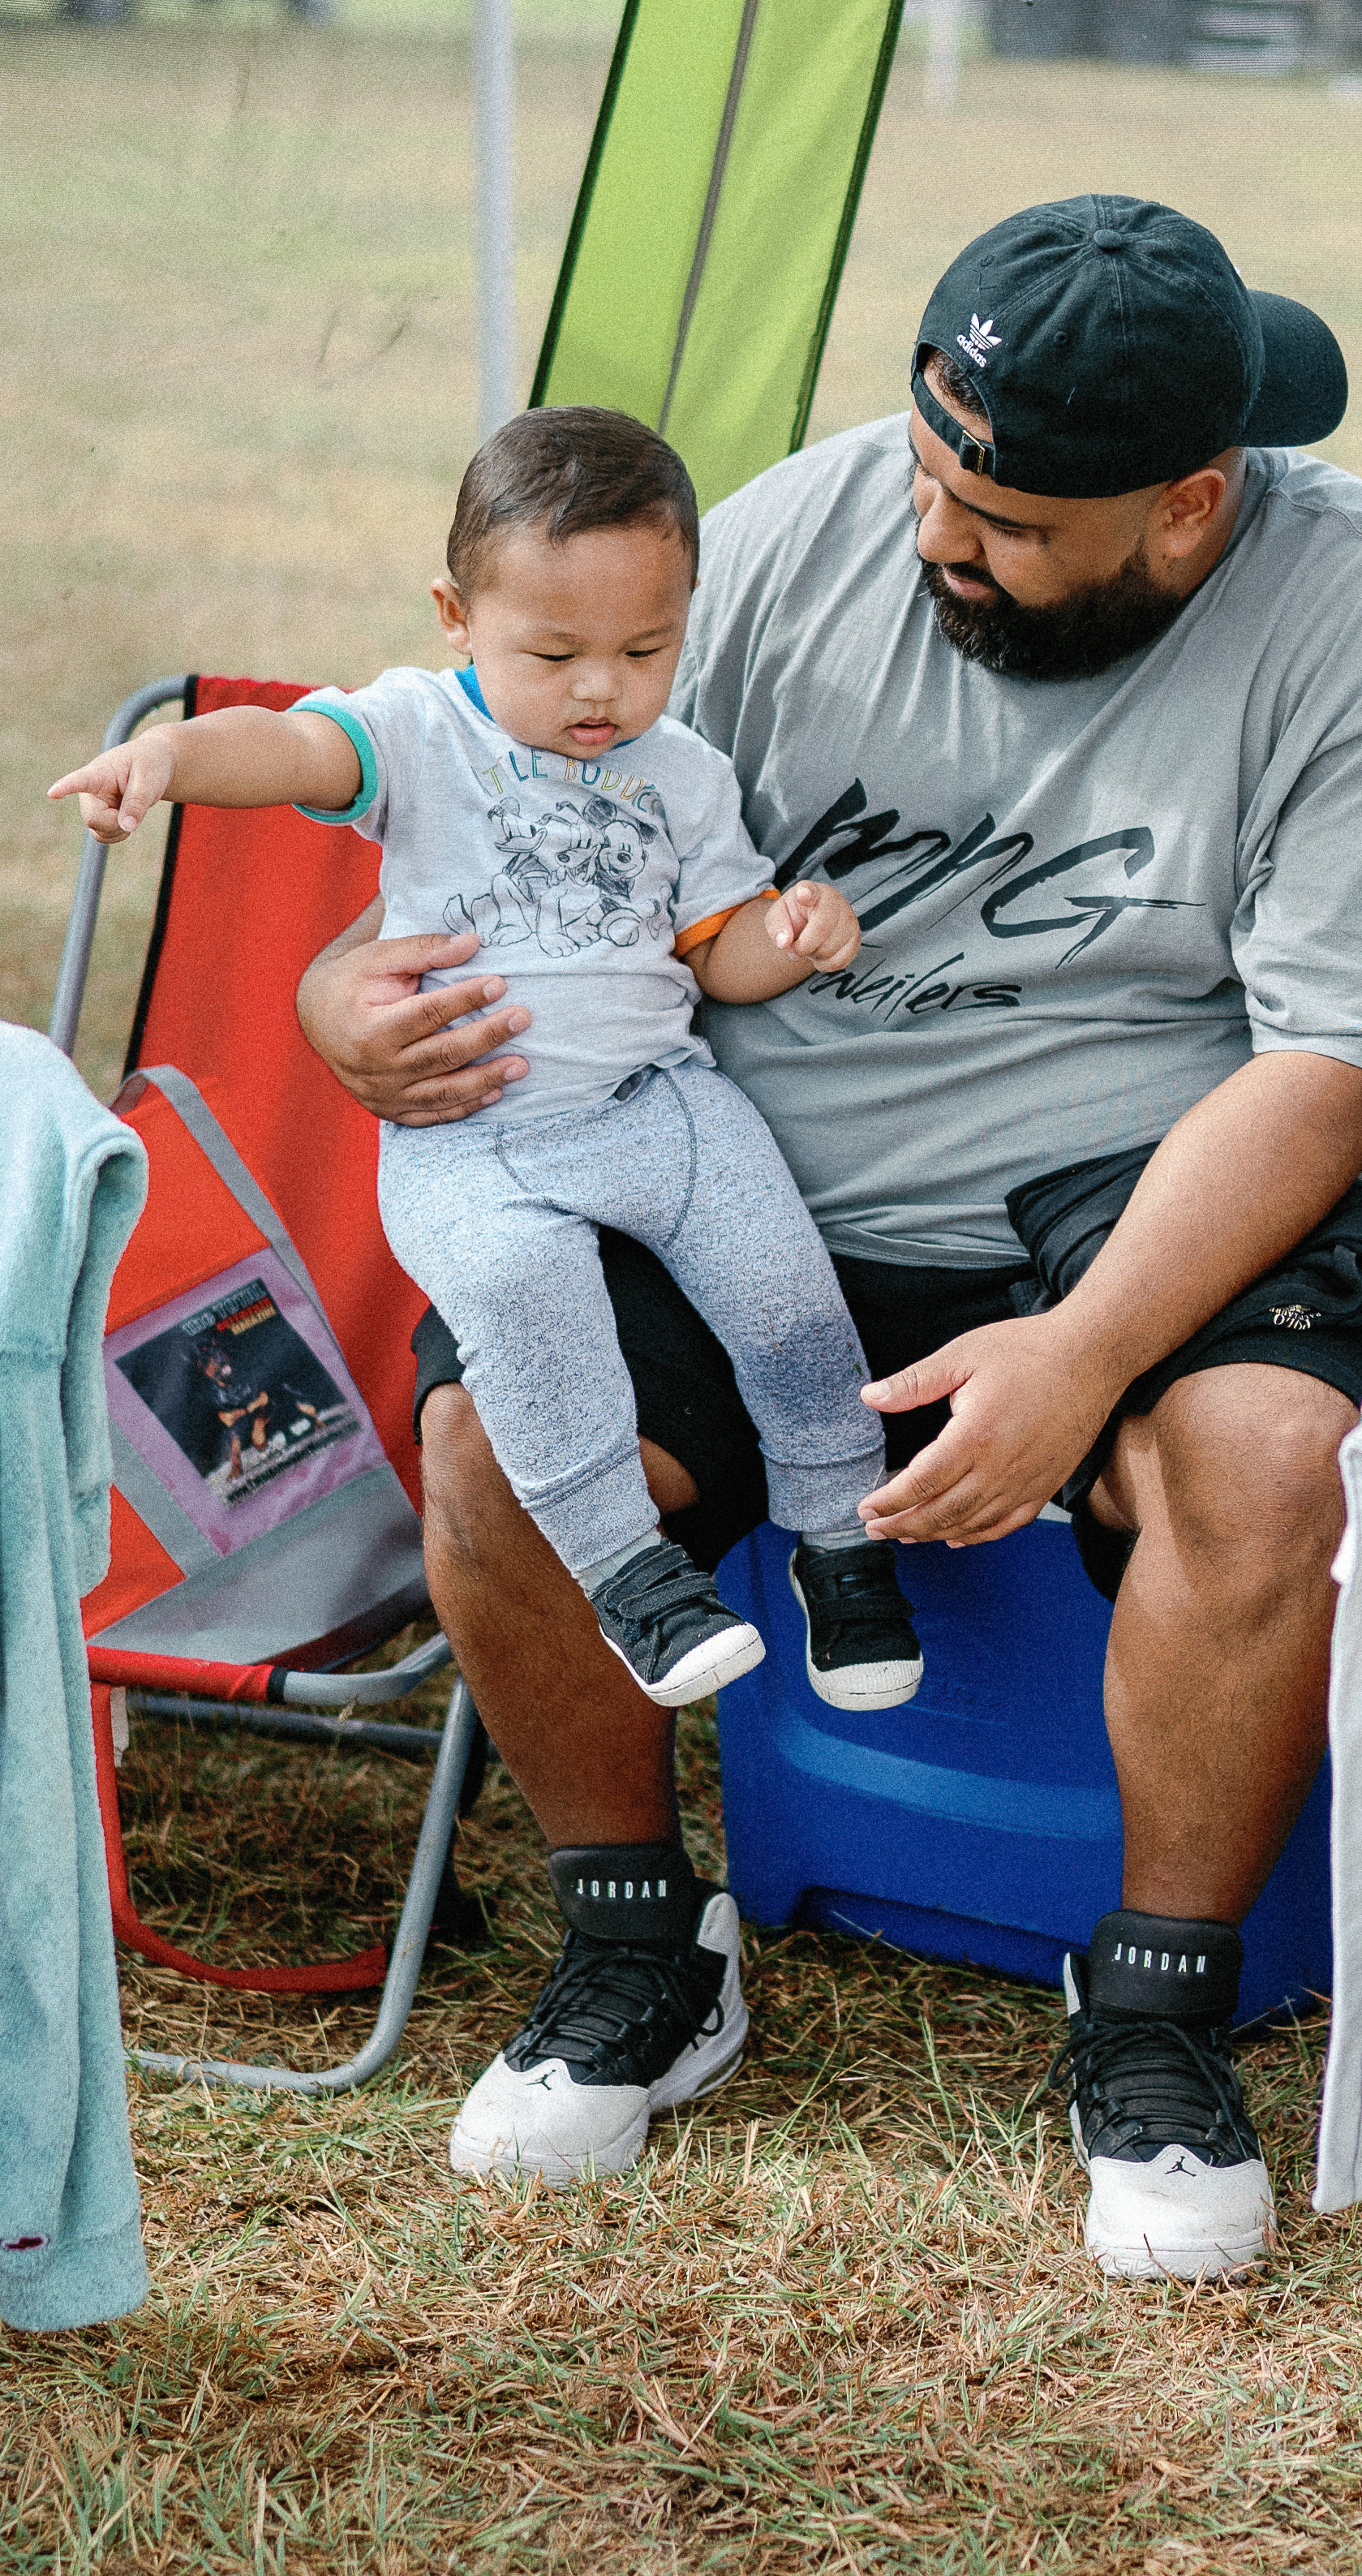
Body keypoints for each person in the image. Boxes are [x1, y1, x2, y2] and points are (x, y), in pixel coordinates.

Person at [300, 196, 1362, 2278]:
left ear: (1188, 506)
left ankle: (1156, 2008)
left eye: (1008, 522)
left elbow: (1329, 1072)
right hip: (743, 1165)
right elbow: (504, 801)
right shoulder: (805, 534)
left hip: (1144, 1187)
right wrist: (343, 998)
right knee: (495, 1437)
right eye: (930, 473)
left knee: (1271, 1458)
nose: (937, 536)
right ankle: (643, 1945)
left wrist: (1086, 1348)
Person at [50, 405, 926, 1721]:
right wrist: (170, 757)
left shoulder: (684, 773)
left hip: (661, 1106)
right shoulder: (420, 732)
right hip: (480, 1142)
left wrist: (791, 937)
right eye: (555, 652)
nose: (600, 690)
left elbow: (717, 952)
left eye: (645, 649)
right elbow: (293, 748)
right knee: (527, 1312)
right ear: (457, 618)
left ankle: (840, 1539)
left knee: (787, 1293)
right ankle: (628, 1574)